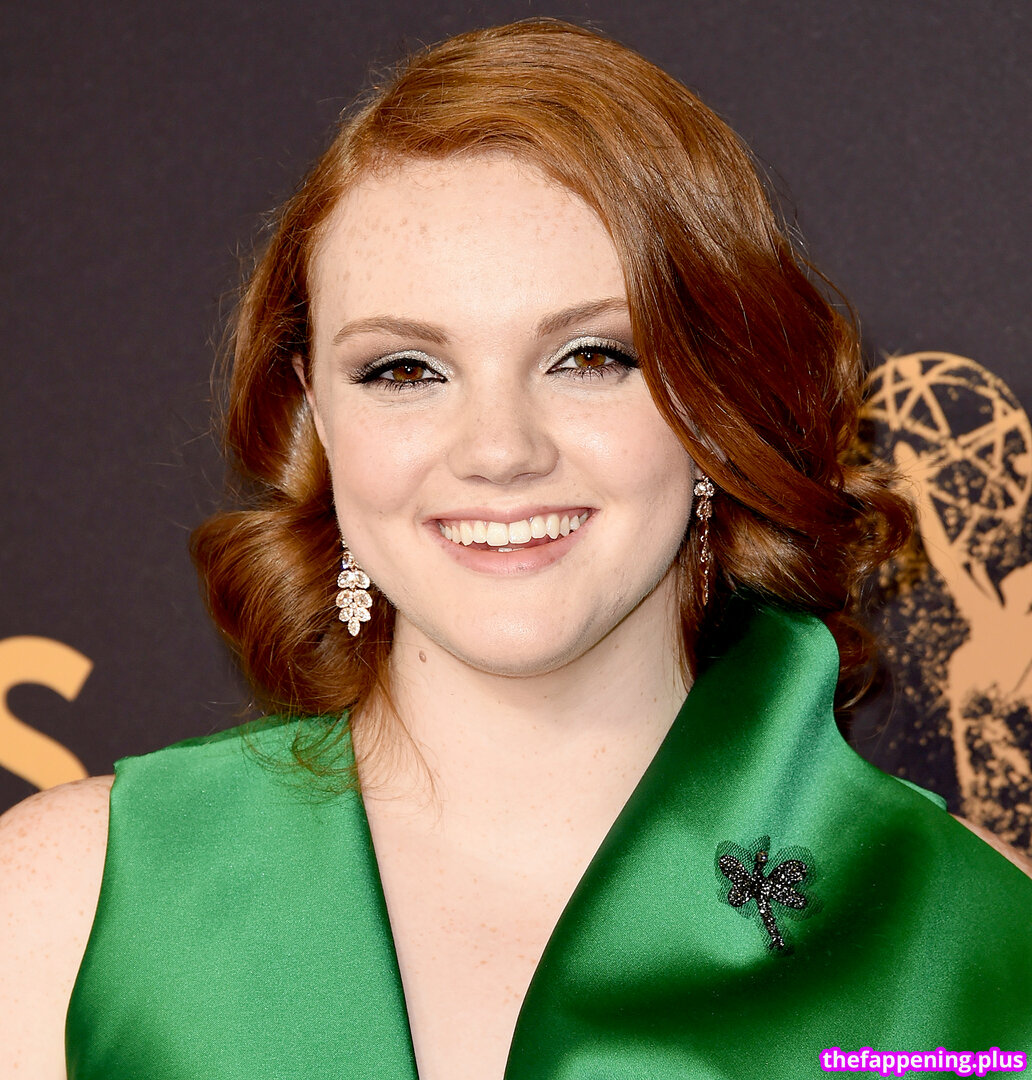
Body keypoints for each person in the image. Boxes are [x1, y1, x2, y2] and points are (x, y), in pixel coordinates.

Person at [2, 18, 1030, 1080]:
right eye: (405, 370)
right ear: (318, 419)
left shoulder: (976, 941)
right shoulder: (69, 909)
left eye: (590, 357)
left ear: (715, 402)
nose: (499, 451)